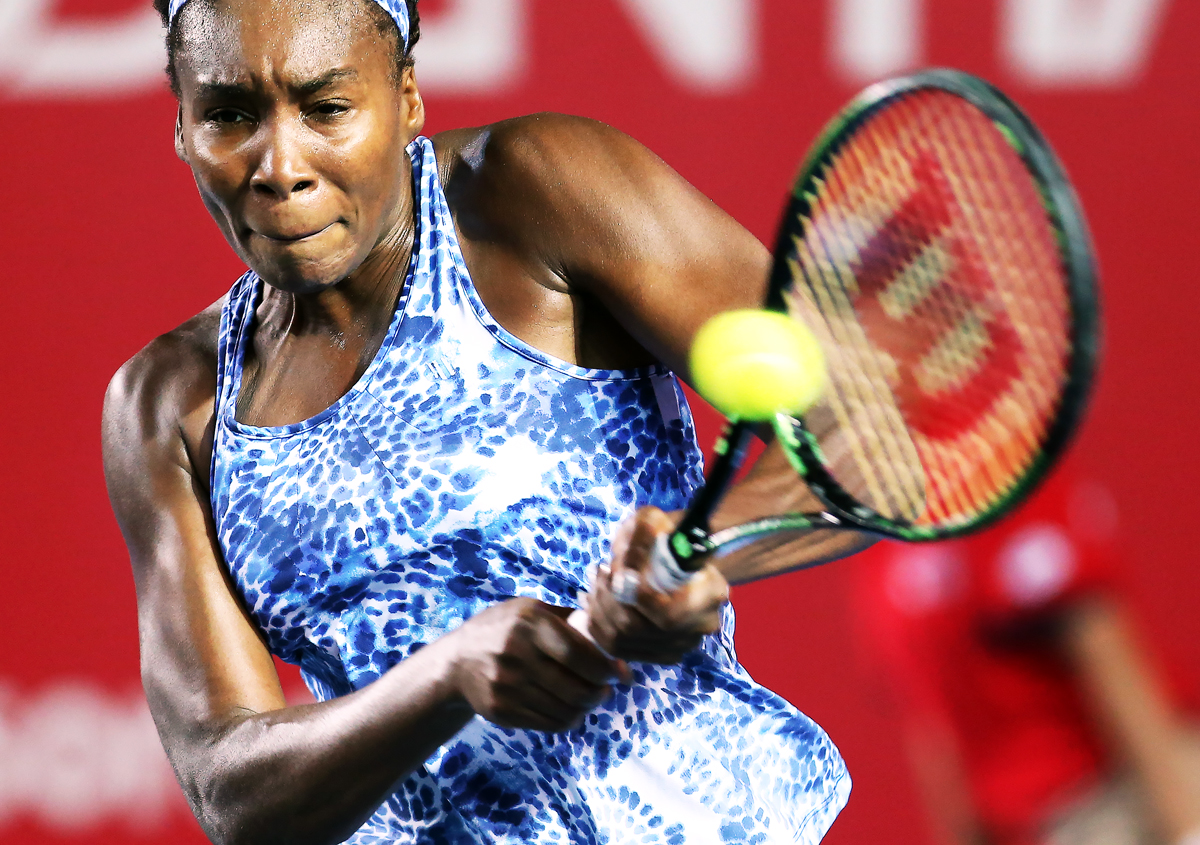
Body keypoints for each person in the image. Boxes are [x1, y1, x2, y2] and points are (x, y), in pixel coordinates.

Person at [100, 0, 869, 842]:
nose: (279, 164)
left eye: (327, 109)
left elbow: (863, 433)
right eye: (228, 116)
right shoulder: (168, 404)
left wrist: (704, 544)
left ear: (407, 98)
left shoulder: (537, 188)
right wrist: (445, 676)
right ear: (180, 124)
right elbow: (230, 790)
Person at [850, 470, 1200, 845]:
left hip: (1121, 792)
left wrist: (1185, 824)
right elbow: (935, 736)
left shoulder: (1003, 481)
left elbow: (1105, 653)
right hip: (1048, 825)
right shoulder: (873, 555)